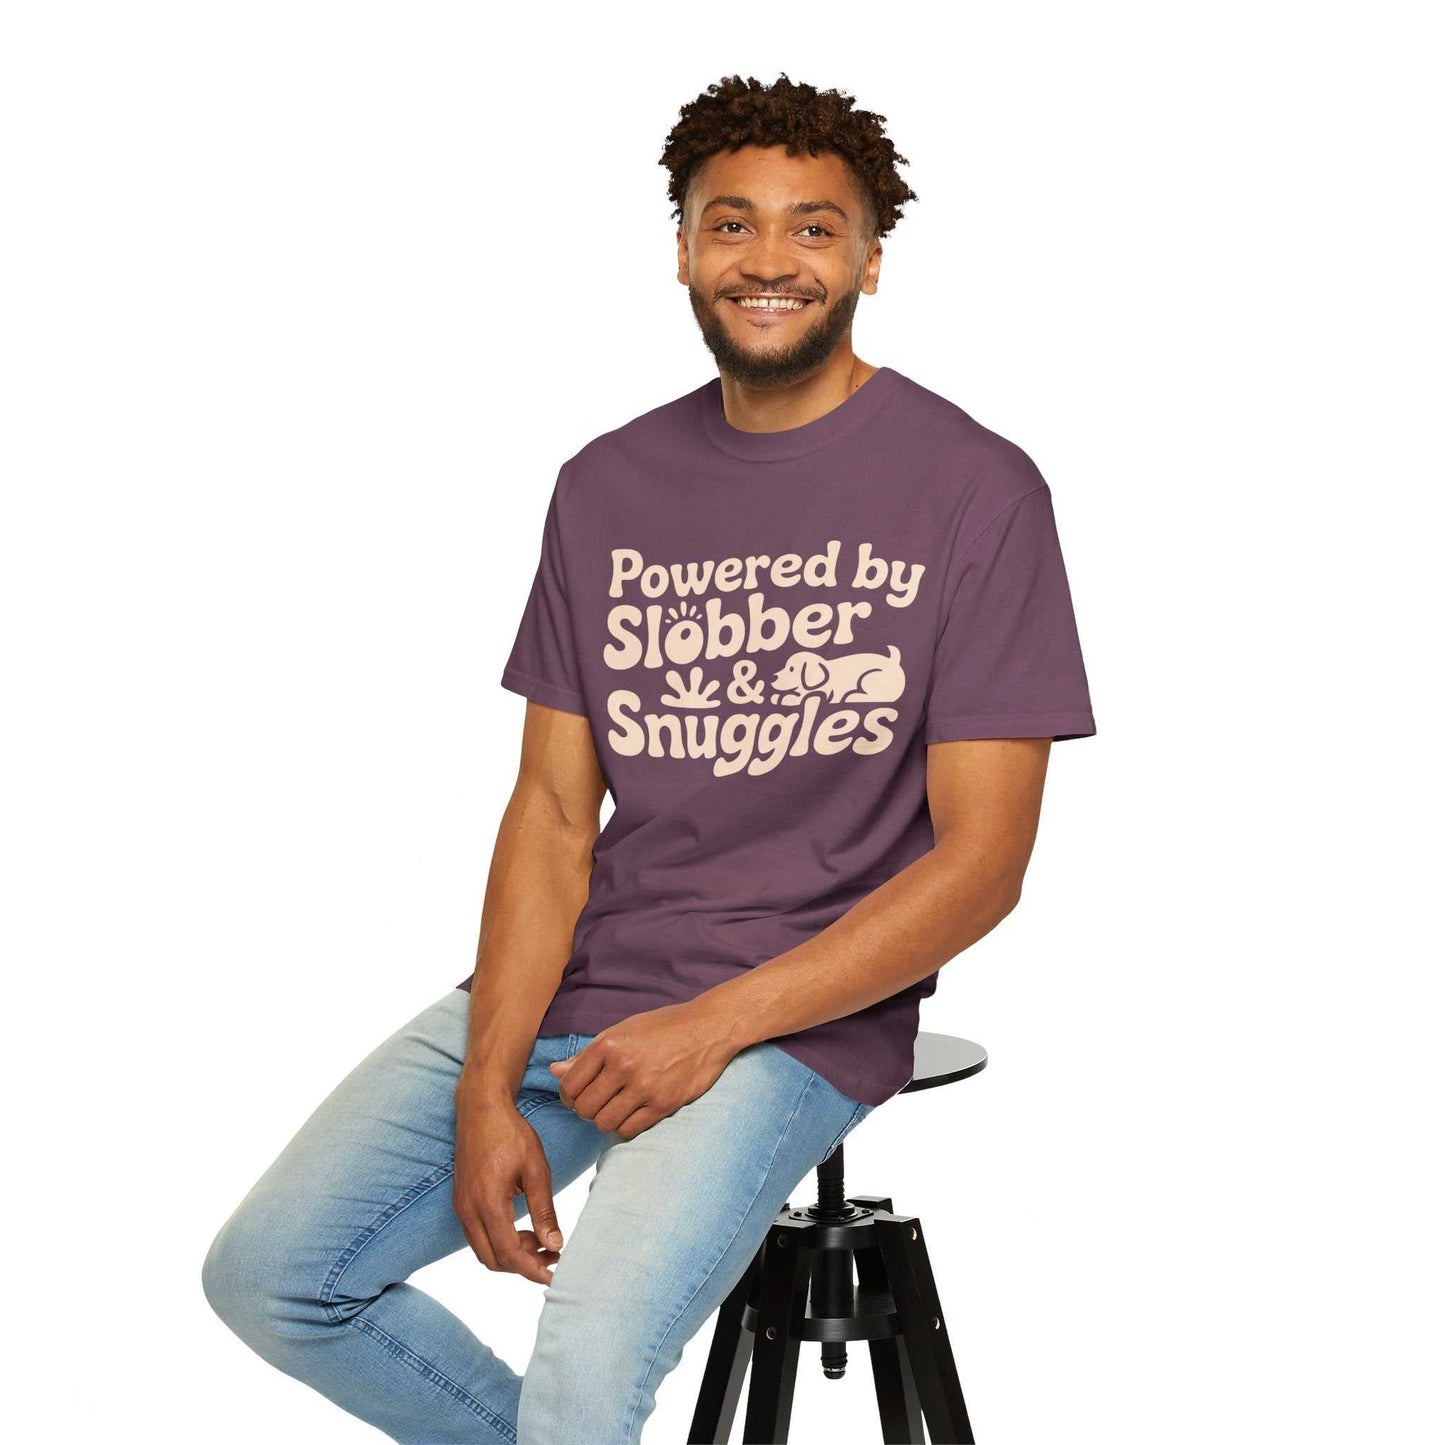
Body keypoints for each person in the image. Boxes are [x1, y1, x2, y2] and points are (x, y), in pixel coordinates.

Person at [201, 72, 1097, 1444]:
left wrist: (712, 1027)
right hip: (588, 984)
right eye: (731, 223)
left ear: (868, 260)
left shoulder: (977, 487)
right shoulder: (605, 485)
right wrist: (488, 1080)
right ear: (682, 249)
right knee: (275, 1275)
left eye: (813, 227)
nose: (768, 259)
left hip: (795, 1014)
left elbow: (982, 865)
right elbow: (553, 814)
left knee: (587, 1371)